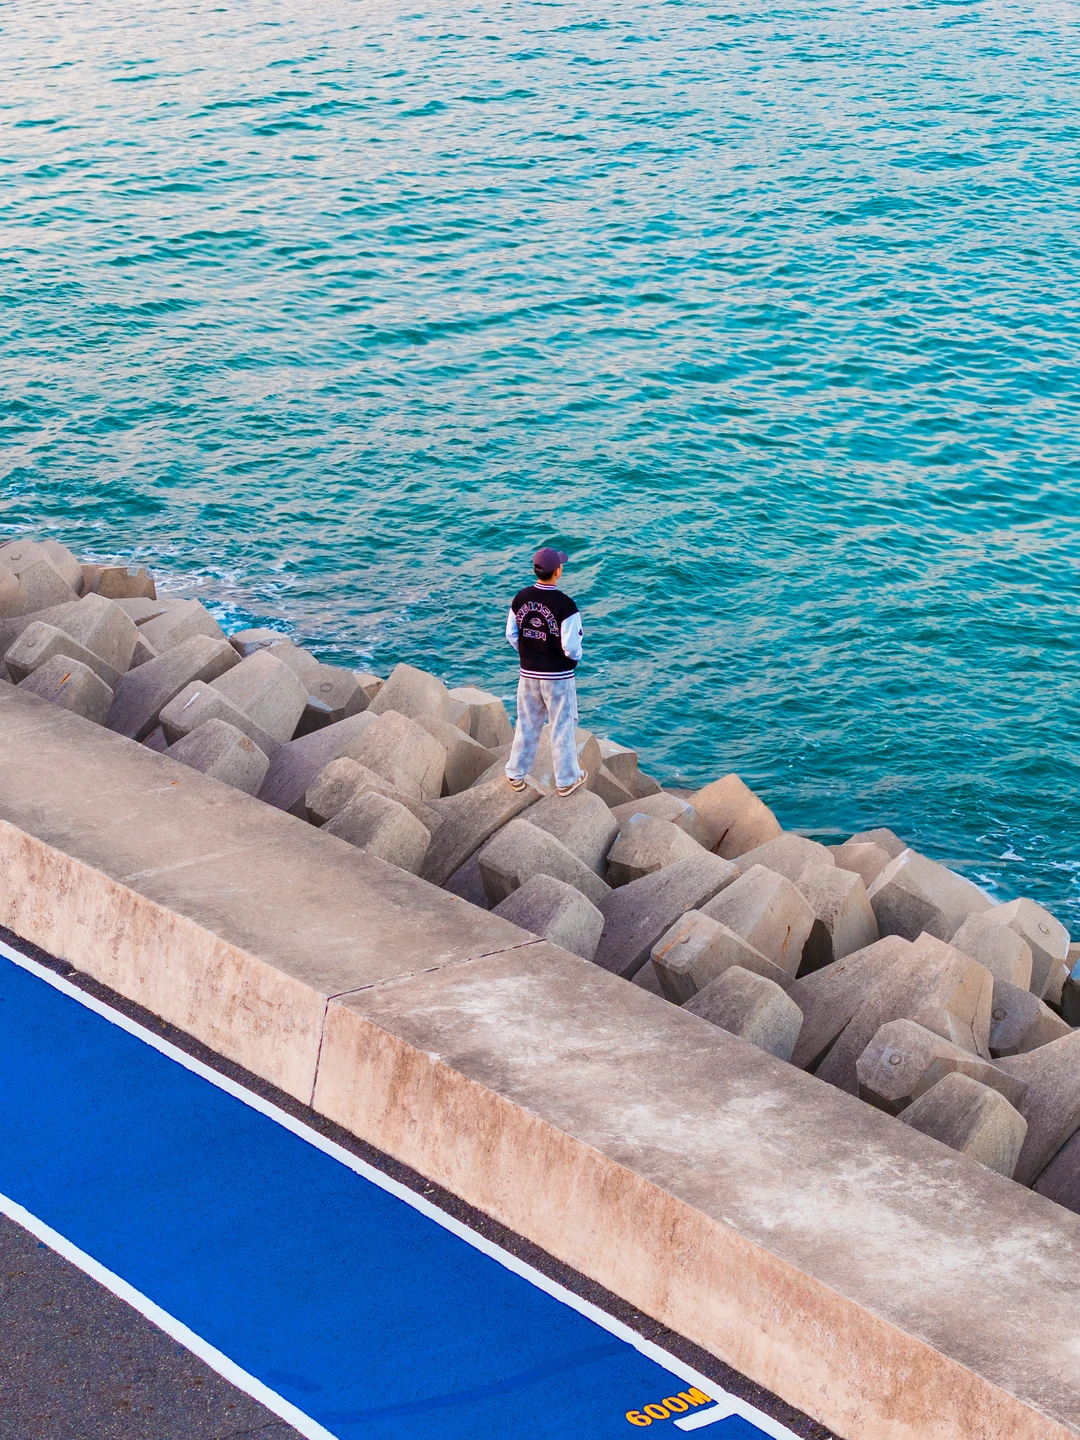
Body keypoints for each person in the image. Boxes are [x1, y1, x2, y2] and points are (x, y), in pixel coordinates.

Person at [504, 546, 586, 797]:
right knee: (562, 725)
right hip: (558, 677)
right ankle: (566, 779)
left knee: (527, 722)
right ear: (558, 571)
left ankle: (516, 773)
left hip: (527, 673)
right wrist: (572, 659)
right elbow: (571, 647)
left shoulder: (520, 598)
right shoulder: (566, 605)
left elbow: (511, 634)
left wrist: (530, 654)